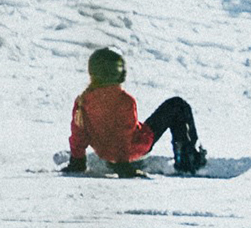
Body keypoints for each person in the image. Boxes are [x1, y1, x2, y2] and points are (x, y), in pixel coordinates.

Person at [64, 48, 206, 176]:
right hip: (132, 150)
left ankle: (185, 157)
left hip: (105, 152)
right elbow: (123, 136)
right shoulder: (124, 100)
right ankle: (187, 160)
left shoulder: (83, 100)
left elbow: (79, 134)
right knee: (177, 105)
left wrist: (78, 160)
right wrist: (123, 166)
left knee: (170, 110)